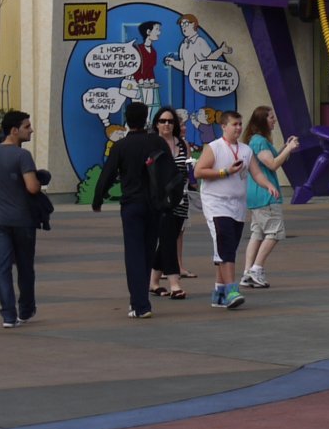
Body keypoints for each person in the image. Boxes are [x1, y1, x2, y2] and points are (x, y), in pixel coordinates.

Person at [93, 99, 174, 319]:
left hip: (132, 204)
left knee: (134, 254)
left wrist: (98, 199)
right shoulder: (157, 142)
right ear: (147, 118)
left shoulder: (121, 146)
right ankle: (140, 301)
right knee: (148, 251)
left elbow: (107, 174)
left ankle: (140, 304)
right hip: (155, 204)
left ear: (127, 121)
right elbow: (170, 171)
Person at [194, 111, 275, 309]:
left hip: (237, 205)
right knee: (225, 244)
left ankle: (219, 293)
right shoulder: (214, 147)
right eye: (234, 124)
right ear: (224, 126)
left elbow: (256, 173)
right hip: (216, 203)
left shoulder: (246, 150)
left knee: (226, 248)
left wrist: (268, 185)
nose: (238, 128)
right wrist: (225, 171)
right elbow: (199, 171)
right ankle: (232, 290)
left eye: (240, 124)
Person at [0, 111, 41, 329]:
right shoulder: (22, 155)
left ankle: (8, 316)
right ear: (14, 130)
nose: (31, 130)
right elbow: (32, 187)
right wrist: (40, 179)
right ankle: (26, 310)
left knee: (2, 267)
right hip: (21, 220)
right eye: (27, 127)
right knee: (25, 267)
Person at [240, 105, 301, 289]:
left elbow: (273, 159)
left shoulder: (257, 141)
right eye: (271, 117)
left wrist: (285, 148)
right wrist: (289, 148)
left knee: (257, 233)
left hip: (257, 194)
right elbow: (272, 164)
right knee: (274, 232)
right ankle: (256, 269)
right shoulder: (259, 141)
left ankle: (247, 272)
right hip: (266, 194)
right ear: (262, 121)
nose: (274, 120)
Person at [149, 107, 193, 299]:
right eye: (162, 121)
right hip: (160, 201)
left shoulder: (182, 143)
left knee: (170, 237)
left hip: (181, 198)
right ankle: (175, 284)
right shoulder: (152, 144)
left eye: (170, 121)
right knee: (168, 240)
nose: (166, 124)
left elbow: (187, 168)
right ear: (156, 124)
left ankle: (153, 282)